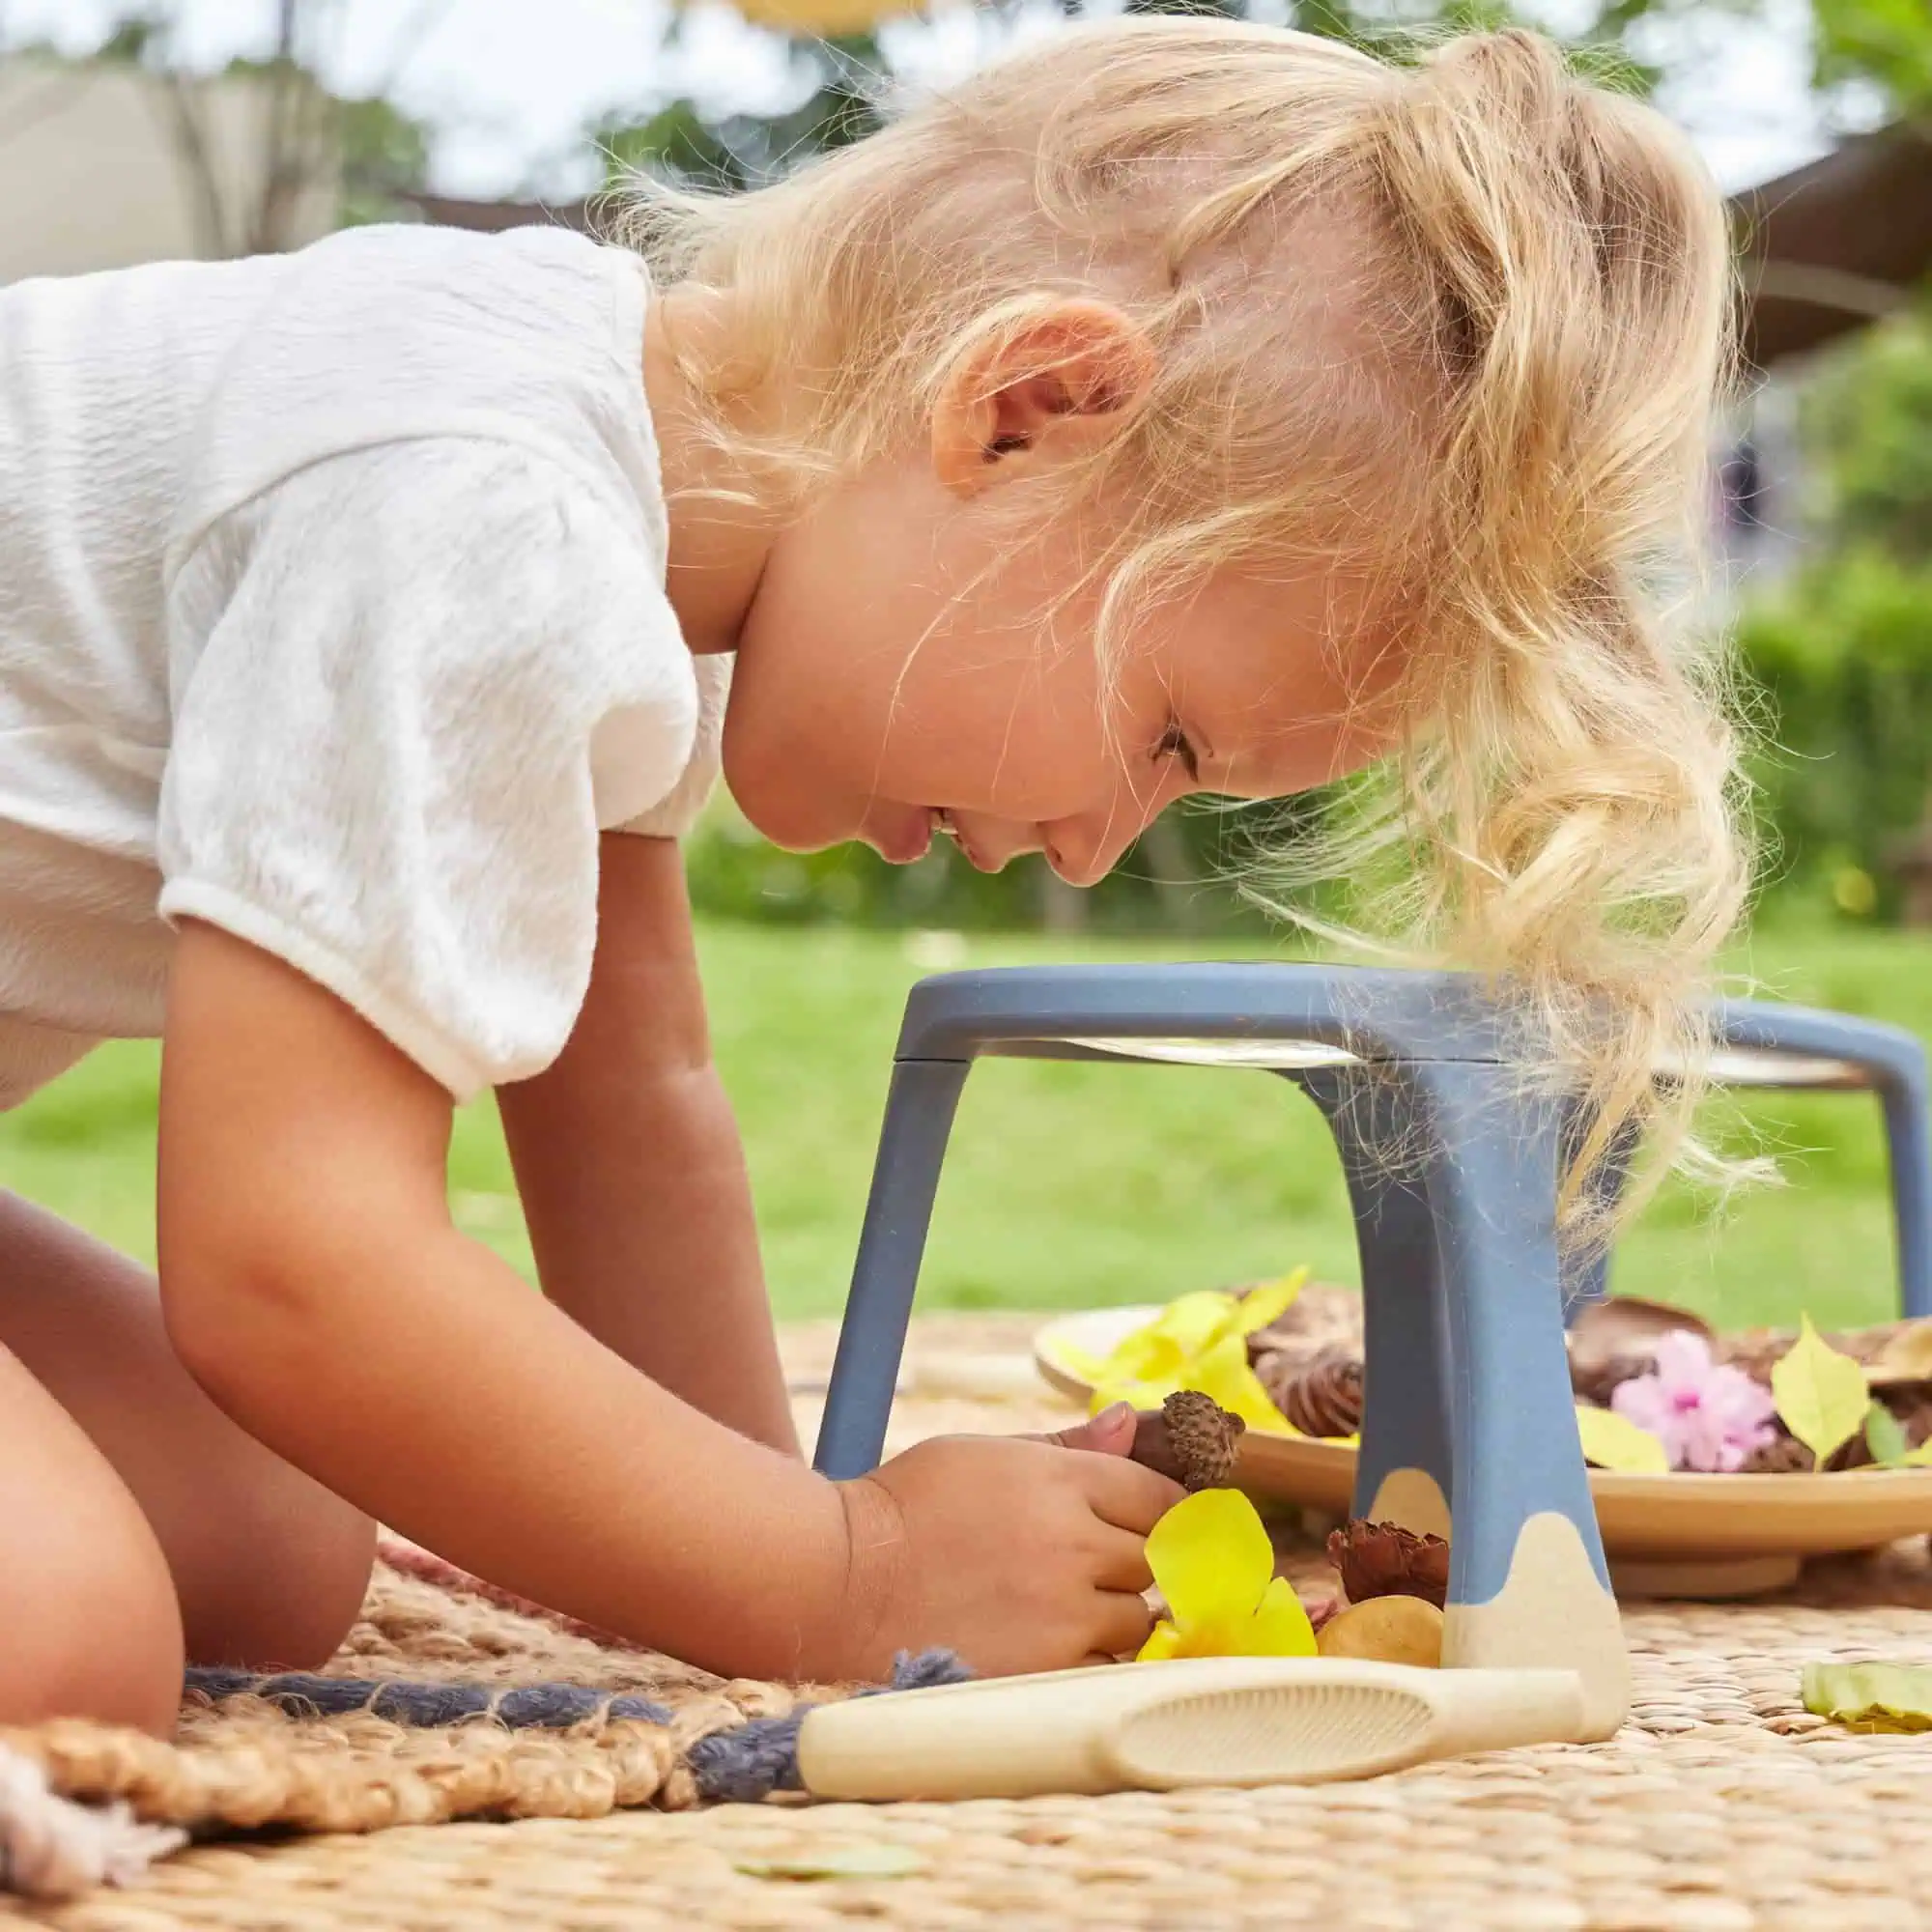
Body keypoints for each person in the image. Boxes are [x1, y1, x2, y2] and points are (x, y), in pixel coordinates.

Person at [0, 20, 1746, 1733]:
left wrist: (761, 1531)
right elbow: (289, 1264)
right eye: (1168, 741)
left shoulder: (630, 529)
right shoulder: (471, 507)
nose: (1095, 841)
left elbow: (631, 1105)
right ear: (1027, 411)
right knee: (63, 1639)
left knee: (268, 1547)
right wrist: (839, 1572)